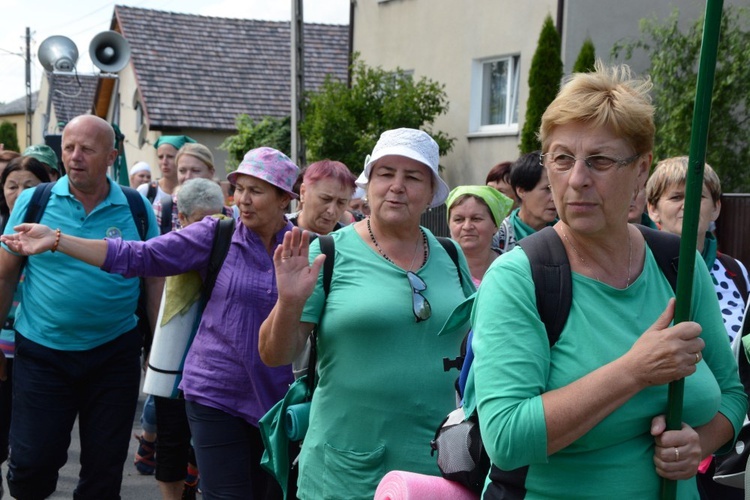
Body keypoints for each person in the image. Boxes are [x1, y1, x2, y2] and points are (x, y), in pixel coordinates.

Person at [467, 63, 746, 498]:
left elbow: (732, 392)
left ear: (640, 171)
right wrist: (634, 372)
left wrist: (700, 443)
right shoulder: (520, 278)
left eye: (599, 161)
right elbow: (506, 439)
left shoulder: (678, 266)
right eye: (562, 159)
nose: (577, 179)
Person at [2, 146, 300, 500]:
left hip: (277, 397)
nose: (243, 200)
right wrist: (58, 240)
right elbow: (138, 255)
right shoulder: (216, 234)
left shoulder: (305, 246)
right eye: (240, 189)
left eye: (257, 191)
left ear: (284, 199)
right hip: (215, 390)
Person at [259, 128, 476, 499]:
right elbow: (274, 355)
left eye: (413, 177)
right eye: (386, 173)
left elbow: (478, 343)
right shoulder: (328, 253)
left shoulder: (452, 254)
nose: (397, 186)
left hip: (437, 464)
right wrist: (290, 302)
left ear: (430, 193)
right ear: (369, 183)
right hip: (346, 465)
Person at [0, 115, 162, 499]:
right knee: (31, 465)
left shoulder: (136, 207)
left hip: (114, 353)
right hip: (42, 352)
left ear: (111, 156)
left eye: (87, 149)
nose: (74, 157)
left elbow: (155, 278)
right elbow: (6, 274)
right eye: (69, 148)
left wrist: (156, 346)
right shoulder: (35, 200)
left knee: (104, 473)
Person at [647, 157, 749, 499]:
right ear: (653, 209)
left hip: (731, 440)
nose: (687, 206)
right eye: (676, 197)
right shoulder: (639, 270)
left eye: (699, 197)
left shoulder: (737, 272)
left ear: (717, 208)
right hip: (661, 443)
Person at [0, 155, 51, 495]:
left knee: (34, 445)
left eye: (29, 186)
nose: (19, 194)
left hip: (40, 348)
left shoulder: (56, 237)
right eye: (11, 186)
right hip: (2, 349)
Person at [446, 185, 513, 287]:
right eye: (459, 219)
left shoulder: (511, 268)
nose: (467, 227)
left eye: (476, 219)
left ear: (495, 225)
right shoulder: (439, 267)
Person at [152, 143, 227, 233]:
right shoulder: (162, 209)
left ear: (211, 172)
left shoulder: (225, 211)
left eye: (195, 170)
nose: (188, 177)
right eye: (182, 171)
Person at [492, 151, 557, 253]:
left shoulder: (567, 235)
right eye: (547, 189)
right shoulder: (499, 237)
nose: (554, 198)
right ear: (521, 191)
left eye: (556, 189)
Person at [287, 159, 356, 235]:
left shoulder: (351, 241)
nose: (331, 211)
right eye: (325, 199)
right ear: (303, 193)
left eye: (341, 203)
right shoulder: (276, 230)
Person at [138, 135, 196, 204]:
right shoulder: (146, 191)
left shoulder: (192, 193)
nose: (164, 162)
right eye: (160, 157)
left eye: (170, 157)